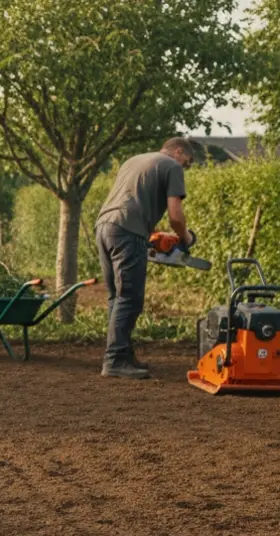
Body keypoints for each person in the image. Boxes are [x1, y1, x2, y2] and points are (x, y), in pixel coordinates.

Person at [93, 137, 196, 379]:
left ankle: (123, 355)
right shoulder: (172, 166)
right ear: (178, 151)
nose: (186, 167)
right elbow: (175, 216)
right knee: (130, 298)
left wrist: (151, 236)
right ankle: (114, 361)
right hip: (127, 232)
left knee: (116, 297)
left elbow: (132, 201)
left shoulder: (134, 161)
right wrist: (185, 238)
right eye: (188, 162)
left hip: (104, 226)